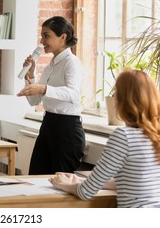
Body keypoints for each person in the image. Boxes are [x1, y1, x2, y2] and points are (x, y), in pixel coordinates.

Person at [50, 69, 160, 207]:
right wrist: (79, 180)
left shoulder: (124, 137)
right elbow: (132, 181)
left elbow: (85, 192)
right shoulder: (156, 136)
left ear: (121, 101)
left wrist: (65, 185)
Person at [17, 16, 85, 174]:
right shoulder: (49, 67)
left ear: (63, 37)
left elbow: (74, 95)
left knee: (60, 186)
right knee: (36, 177)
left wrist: (43, 89)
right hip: (48, 125)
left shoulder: (72, 63)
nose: (42, 41)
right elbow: (34, 102)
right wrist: (31, 76)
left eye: (47, 36)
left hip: (67, 130)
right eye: (42, 36)